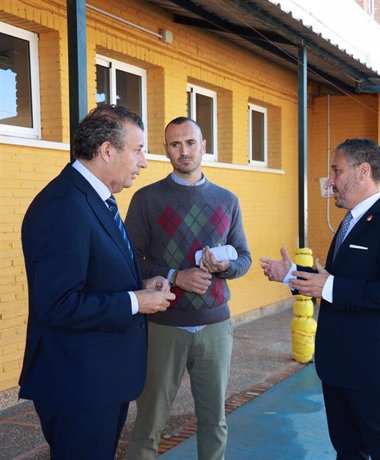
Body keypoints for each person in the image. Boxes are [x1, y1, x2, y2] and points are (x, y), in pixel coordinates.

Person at [19, 105, 176, 459]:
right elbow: (58, 304)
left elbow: (95, 274)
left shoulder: (95, 198)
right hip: (79, 386)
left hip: (100, 381)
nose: (144, 162)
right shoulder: (63, 205)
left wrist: (141, 284)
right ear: (107, 150)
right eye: (138, 150)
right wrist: (136, 302)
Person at [260, 138, 380, 459]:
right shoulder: (350, 222)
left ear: (363, 171)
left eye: (336, 170)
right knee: (348, 452)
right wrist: (292, 273)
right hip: (338, 367)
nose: (330, 181)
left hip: (373, 371)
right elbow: (337, 279)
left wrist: (329, 287)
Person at [125, 117, 251, 460]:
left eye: (190, 143)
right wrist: (175, 276)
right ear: (165, 149)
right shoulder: (146, 199)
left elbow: (244, 258)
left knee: (214, 421)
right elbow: (129, 261)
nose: (184, 151)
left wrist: (227, 266)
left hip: (215, 326)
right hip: (163, 325)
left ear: (203, 146)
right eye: (175, 144)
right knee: (150, 422)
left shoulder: (227, 200)